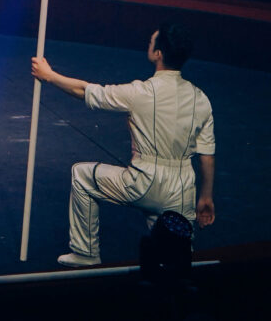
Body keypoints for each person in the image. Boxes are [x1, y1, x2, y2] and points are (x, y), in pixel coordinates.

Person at [30, 21, 216, 267]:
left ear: (158, 53)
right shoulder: (201, 99)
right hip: (182, 189)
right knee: (179, 257)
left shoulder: (140, 92)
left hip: (143, 181)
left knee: (82, 175)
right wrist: (206, 196)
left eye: (151, 42)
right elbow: (206, 156)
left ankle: (86, 253)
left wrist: (50, 76)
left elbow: (86, 92)